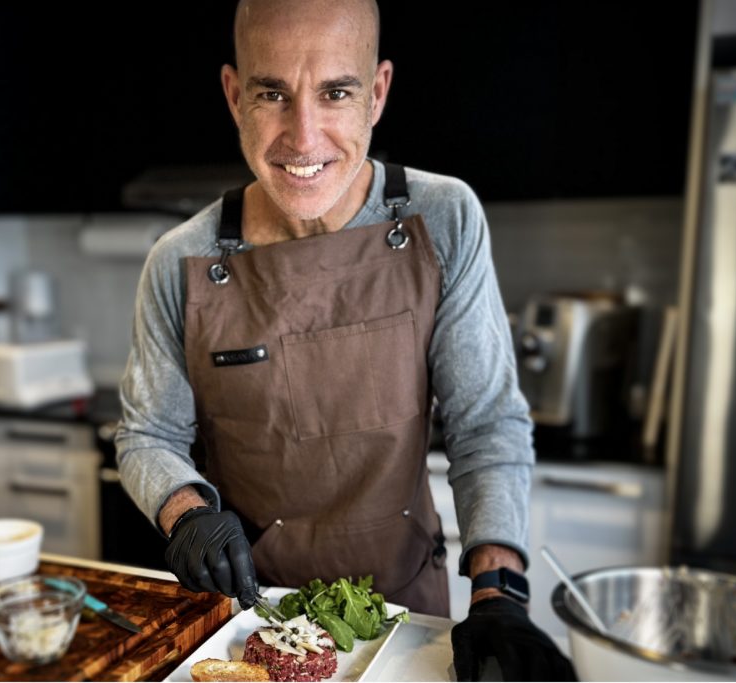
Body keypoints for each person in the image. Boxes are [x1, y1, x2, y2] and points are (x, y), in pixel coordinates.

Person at [114, 0, 576, 679]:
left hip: (406, 623)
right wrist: (185, 512)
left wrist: (497, 590)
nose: (304, 137)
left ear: (378, 93)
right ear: (235, 94)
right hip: (245, 626)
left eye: (336, 92)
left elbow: (486, 425)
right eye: (272, 93)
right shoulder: (178, 261)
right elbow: (145, 433)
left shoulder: (442, 218)